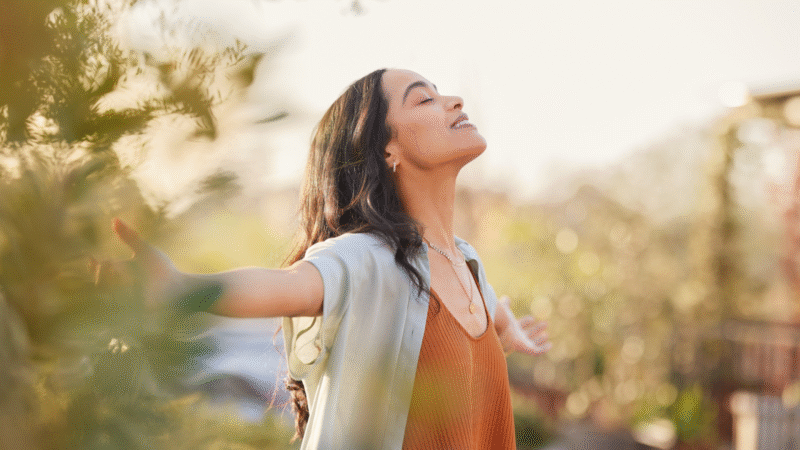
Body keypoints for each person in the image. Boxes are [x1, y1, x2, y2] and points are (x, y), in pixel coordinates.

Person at [109, 68, 551, 449]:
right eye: (424, 100)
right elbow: (289, 287)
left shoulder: (468, 264)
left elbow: (481, 308)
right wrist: (181, 288)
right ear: (387, 150)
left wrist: (505, 325)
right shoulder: (367, 258)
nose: (454, 101)